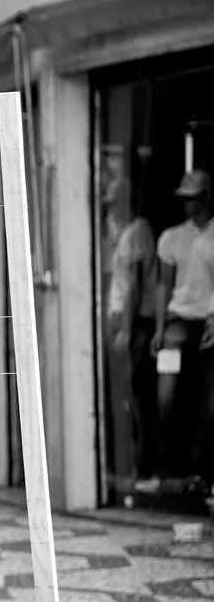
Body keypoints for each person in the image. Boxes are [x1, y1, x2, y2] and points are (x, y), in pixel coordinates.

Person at [142, 169, 213, 494]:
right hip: (176, 323)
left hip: (209, 323)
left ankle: (200, 473)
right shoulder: (171, 237)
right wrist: (158, 328)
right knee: (166, 400)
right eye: (185, 198)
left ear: (206, 197)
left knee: (207, 402)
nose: (188, 204)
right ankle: (163, 471)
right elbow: (162, 285)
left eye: (193, 198)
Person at [103, 177, 159, 485]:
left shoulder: (136, 231)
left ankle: (143, 468)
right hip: (126, 321)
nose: (110, 209)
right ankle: (134, 467)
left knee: (137, 396)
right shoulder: (126, 232)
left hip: (134, 323)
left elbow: (135, 284)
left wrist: (124, 328)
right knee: (129, 394)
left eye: (113, 202)